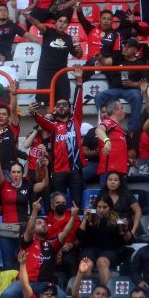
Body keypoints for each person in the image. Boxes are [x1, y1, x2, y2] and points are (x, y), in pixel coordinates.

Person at [0, 198, 74, 298]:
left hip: (45, 284)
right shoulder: (27, 241)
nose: (44, 225)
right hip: (25, 282)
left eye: (45, 223)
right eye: (39, 223)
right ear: (33, 226)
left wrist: (73, 217)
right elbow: (29, 231)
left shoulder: (52, 244)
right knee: (6, 294)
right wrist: (34, 212)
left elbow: (64, 234)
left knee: (61, 296)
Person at [31, 66, 85, 207]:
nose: (61, 107)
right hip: (58, 171)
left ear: (70, 108)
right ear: (55, 108)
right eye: (58, 105)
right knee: (57, 204)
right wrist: (33, 113)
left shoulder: (76, 121)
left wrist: (79, 82)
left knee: (76, 203)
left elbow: (79, 103)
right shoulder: (53, 125)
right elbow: (42, 121)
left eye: (64, 105)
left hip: (75, 170)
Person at [0, 139, 49, 271]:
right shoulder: (4, 185)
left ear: (22, 173)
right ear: (10, 174)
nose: (16, 174)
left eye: (18, 172)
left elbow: (44, 184)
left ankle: (21, 289)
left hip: (23, 229)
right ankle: (8, 291)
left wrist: (45, 168)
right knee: (8, 265)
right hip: (6, 229)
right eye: (13, 172)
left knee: (22, 262)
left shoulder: (27, 185)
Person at [77, 196, 134, 286]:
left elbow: (129, 241)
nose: (101, 210)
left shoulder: (118, 219)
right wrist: (84, 219)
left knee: (102, 261)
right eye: (99, 207)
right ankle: (88, 292)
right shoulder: (91, 218)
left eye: (104, 207)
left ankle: (104, 291)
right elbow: (80, 236)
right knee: (86, 263)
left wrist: (126, 229)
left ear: (110, 207)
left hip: (111, 250)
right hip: (90, 249)